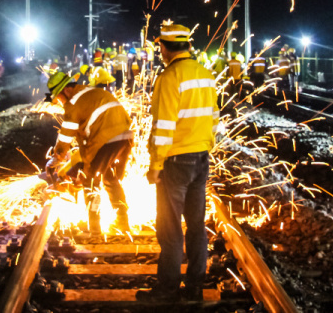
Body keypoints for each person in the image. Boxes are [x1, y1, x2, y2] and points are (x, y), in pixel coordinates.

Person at [136, 23, 218, 303]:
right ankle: (195, 287)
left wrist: (156, 164)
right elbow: (214, 119)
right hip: (201, 158)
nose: (160, 51)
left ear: (165, 47)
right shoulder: (205, 74)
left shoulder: (170, 77)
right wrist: (205, 147)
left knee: (169, 227)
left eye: (160, 46)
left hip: (176, 160)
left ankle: (168, 289)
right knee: (196, 225)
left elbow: (164, 127)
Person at [45, 71, 133, 234]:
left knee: (90, 181)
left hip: (107, 138)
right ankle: (122, 222)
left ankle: (94, 230)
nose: (59, 102)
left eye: (59, 98)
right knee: (110, 178)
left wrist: (57, 157)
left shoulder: (73, 103)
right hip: (125, 137)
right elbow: (86, 142)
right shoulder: (91, 93)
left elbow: (66, 134)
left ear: (66, 91)